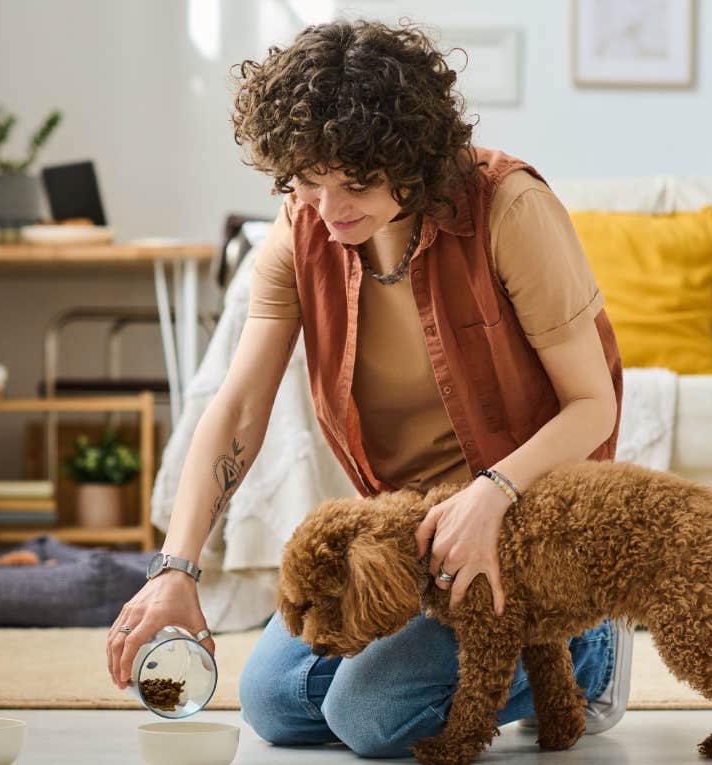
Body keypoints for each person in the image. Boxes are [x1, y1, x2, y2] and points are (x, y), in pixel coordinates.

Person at [105, 18, 632, 758]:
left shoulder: (508, 208)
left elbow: (593, 406)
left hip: (532, 525)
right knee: (273, 701)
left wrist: (492, 492)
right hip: (409, 545)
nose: (327, 209)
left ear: (411, 156)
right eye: (306, 182)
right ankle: (444, 662)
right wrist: (177, 566)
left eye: (353, 183)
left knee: (368, 715)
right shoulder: (304, 227)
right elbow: (239, 406)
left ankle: (589, 649)